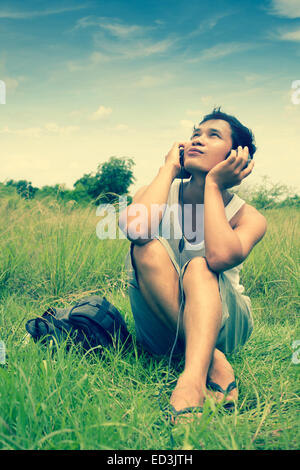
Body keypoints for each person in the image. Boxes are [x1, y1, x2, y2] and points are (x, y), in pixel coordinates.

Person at [119, 107, 267, 423]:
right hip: (160, 326)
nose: (197, 140)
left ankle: (190, 383)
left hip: (226, 325)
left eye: (213, 135)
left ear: (237, 156)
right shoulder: (156, 191)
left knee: (200, 267)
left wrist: (213, 186)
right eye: (195, 134)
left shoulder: (248, 217)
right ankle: (213, 361)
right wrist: (168, 168)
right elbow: (136, 230)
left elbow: (219, 258)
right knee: (145, 248)